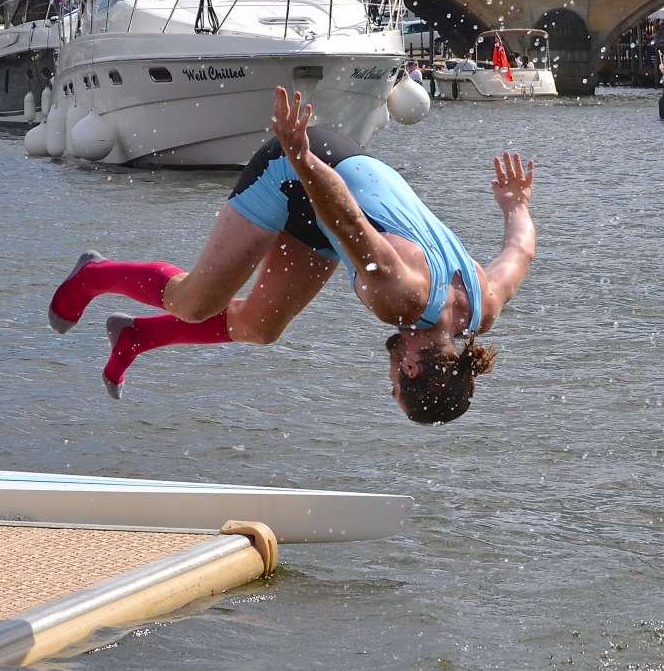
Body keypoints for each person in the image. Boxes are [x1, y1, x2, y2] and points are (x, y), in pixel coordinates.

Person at [48, 87, 535, 424]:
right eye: (393, 390)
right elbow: (348, 222)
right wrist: (300, 156)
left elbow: (520, 249)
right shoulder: (399, 299)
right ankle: (93, 275)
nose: (386, 380)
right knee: (195, 302)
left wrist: (516, 207)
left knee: (261, 326)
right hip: (304, 173)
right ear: (411, 370)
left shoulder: (483, 306)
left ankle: (136, 335)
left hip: (336, 190)